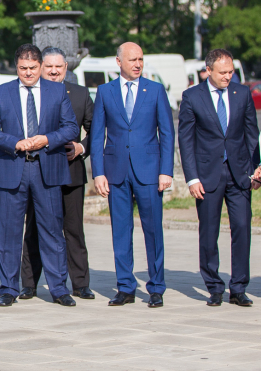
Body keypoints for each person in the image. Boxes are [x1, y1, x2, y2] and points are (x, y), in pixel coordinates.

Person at [0, 44, 79, 307]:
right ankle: (8, 288)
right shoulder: (1, 93)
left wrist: (47, 138)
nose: (28, 73)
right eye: (23, 69)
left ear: (41, 66)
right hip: (14, 167)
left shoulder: (57, 90)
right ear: (16, 67)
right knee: (9, 232)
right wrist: (16, 143)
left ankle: (59, 288)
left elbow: (70, 127)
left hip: (47, 167)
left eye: (33, 68)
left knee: (51, 230)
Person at [90, 42, 175, 308]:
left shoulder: (156, 90)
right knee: (120, 231)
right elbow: (96, 135)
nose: (138, 64)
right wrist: (98, 173)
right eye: (132, 60)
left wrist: (166, 170)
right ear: (119, 62)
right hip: (116, 171)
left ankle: (156, 287)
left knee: (153, 230)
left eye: (141, 59)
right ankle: (125, 287)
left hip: (149, 171)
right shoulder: (105, 92)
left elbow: (167, 134)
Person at [178, 49, 260, 307]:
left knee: (242, 229)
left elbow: (251, 134)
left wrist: (256, 168)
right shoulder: (192, 97)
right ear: (208, 71)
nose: (228, 76)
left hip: (239, 175)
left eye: (231, 72)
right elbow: (186, 140)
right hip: (207, 175)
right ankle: (214, 286)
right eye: (223, 72)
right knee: (209, 232)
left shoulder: (242, 93)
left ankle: (238, 288)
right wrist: (192, 178)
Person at [20, 47, 95, 301]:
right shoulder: (31, 94)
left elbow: (96, 129)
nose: (53, 71)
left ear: (66, 69)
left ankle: (81, 283)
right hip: (38, 173)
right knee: (34, 228)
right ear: (41, 67)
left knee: (73, 229)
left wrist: (82, 146)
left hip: (71, 172)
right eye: (48, 66)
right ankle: (29, 283)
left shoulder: (82, 95)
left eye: (58, 67)